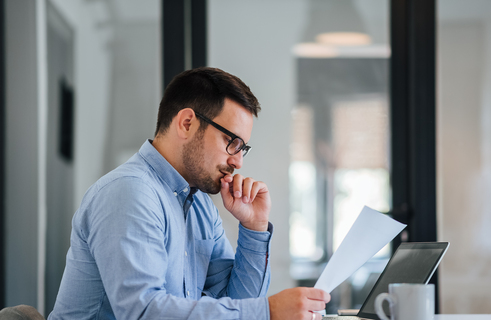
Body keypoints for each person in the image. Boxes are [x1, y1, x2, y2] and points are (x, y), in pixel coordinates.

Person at [49, 67, 330, 320]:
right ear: (186, 123)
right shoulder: (129, 192)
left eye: (242, 148)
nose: (238, 162)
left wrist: (254, 228)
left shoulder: (200, 207)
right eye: (231, 142)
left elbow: (236, 303)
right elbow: (143, 313)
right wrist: (267, 312)